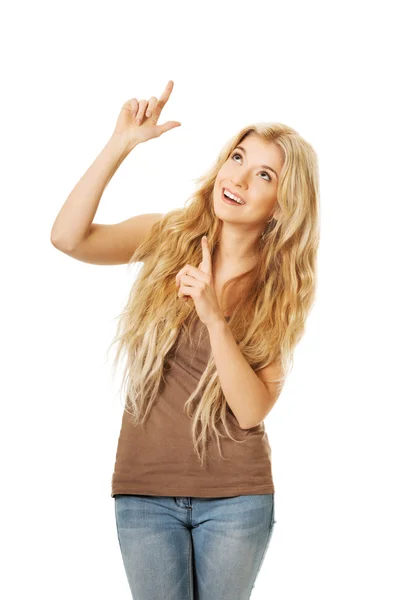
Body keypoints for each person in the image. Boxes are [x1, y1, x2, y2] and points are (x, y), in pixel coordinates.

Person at [50, 79, 320, 600]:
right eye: (237, 158)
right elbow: (68, 238)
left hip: (235, 498)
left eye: (263, 174)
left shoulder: (281, 289)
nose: (238, 177)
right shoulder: (169, 238)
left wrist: (216, 319)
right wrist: (120, 145)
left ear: (282, 204)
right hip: (143, 491)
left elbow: (251, 411)